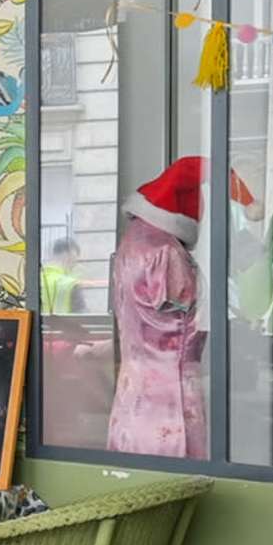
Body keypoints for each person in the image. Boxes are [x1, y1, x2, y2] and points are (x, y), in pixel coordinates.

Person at [105, 157, 205, 456]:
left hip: (133, 384)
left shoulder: (129, 244)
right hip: (170, 386)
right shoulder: (166, 251)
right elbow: (185, 315)